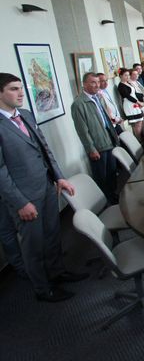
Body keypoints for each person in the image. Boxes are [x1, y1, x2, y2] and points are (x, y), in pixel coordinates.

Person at [0, 73, 87, 302]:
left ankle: (58, 273)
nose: (20, 93)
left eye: (21, 88)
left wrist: (59, 177)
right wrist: (20, 202)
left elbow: (45, 149)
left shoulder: (26, 115)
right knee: (33, 246)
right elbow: (0, 172)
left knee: (52, 235)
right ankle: (42, 288)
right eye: (13, 89)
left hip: (47, 186)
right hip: (24, 197)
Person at [71, 72, 120, 205]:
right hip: (98, 146)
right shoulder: (79, 104)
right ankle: (106, 203)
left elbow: (106, 120)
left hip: (108, 140)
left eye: (98, 82)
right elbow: (82, 130)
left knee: (112, 173)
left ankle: (113, 196)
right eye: (93, 82)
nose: (97, 85)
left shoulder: (97, 98)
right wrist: (91, 148)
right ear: (84, 84)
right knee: (102, 177)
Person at [117, 69, 144, 140]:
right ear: (120, 76)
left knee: (140, 121)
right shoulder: (121, 86)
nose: (127, 77)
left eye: (128, 75)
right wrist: (138, 102)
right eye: (125, 75)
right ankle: (139, 140)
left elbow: (134, 94)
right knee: (136, 124)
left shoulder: (128, 83)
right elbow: (128, 96)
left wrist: (139, 101)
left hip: (135, 103)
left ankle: (140, 138)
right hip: (129, 105)